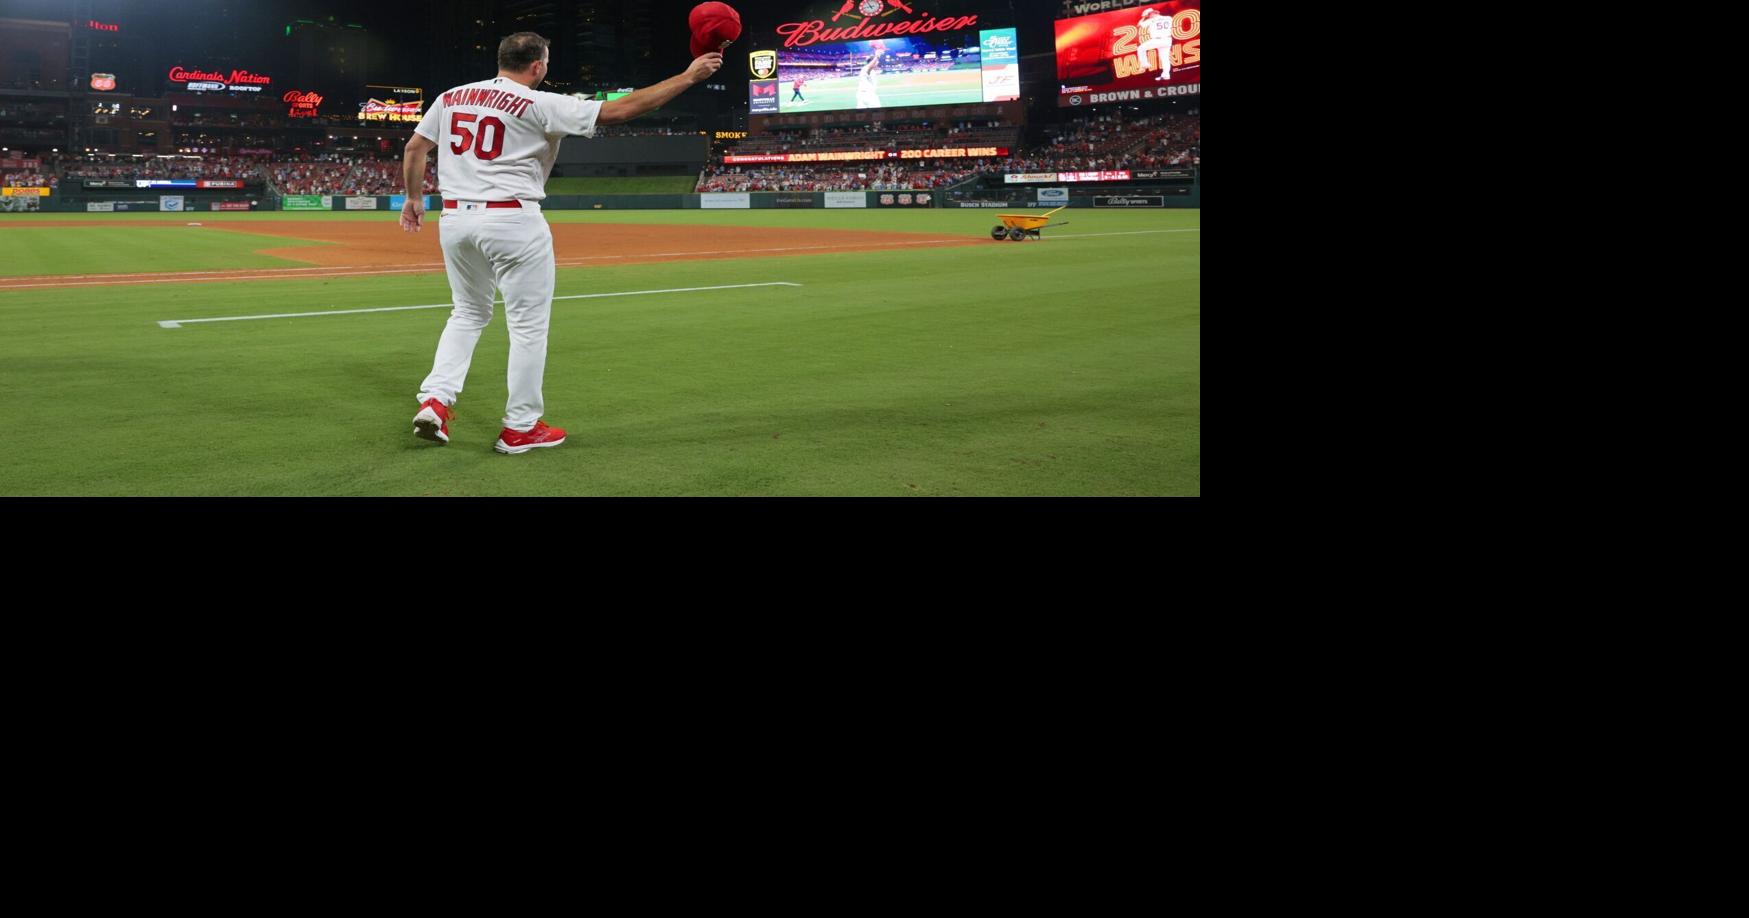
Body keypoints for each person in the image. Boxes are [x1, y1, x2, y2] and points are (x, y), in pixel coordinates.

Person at [400, 32, 722, 453]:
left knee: (467, 313)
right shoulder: (540, 102)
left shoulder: (451, 97)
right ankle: (520, 427)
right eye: (546, 61)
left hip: (456, 219)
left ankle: (436, 401)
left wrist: (412, 197)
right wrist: (688, 76)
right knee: (528, 328)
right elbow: (621, 110)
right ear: (537, 66)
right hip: (513, 220)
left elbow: (414, 148)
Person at [1135, 7, 1175, 82]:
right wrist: (1149, 16)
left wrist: (1144, 17)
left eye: (1149, 15)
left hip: (1157, 40)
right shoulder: (1169, 17)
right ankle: (1166, 75)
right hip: (1167, 40)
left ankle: (1145, 64)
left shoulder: (1151, 20)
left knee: (1140, 48)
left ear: (1153, 14)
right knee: (1165, 59)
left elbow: (1138, 25)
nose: (1149, 16)